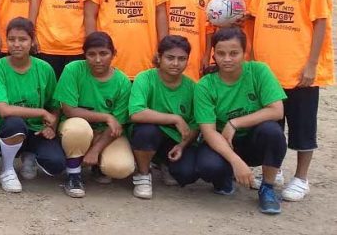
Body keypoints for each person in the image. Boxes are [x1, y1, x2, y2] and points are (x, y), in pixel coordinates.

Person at [250, 0, 334, 202]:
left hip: (299, 65)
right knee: (272, 125)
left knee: (302, 126)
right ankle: (275, 170)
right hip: (268, 64)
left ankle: (302, 177)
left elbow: (321, 20)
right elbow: (254, 14)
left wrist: (312, 64)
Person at [194, 27, 287, 215]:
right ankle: (224, 179)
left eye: (234, 53)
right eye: (220, 53)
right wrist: (235, 161)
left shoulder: (259, 71)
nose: (227, 59)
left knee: (273, 132)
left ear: (245, 52)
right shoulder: (205, 84)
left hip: (253, 140)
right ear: (214, 54)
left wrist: (235, 123)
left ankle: (267, 188)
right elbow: (209, 131)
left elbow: (277, 111)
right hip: (223, 142)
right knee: (207, 166)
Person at [54, 32, 134, 198]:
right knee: (79, 128)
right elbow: (69, 110)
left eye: (103, 54)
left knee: (121, 168)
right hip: (77, 129)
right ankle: (73, 174)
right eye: (91, 54)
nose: (98, 60)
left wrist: (95, 150)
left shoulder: (123, 82)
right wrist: (106, 117)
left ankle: (98, 164)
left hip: (106, 133)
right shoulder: (73, 70)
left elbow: (117, 125)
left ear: (114, 54)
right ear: (85, 55)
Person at [0, 18, 62, 193]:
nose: (17, 44)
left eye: (23, 39)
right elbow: (4, 110)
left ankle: (29, 155)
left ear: (32, 41)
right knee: (15, 123)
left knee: (57, 164)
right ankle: (7, 169)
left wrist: (53, 125)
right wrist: (41, 112)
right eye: (12, 39)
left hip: (36, 129)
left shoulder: (44, 68)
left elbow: (55, 104)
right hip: (7, 128)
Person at [128, 35, 199, 199]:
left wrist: (182, 145)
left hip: (175, 140)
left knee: (187, 174)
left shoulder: (192, 87)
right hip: (148, 134)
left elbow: (196, 123)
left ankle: (164, 163)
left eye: (182, 59)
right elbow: (136, 112)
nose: (175, 63)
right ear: (159, 58)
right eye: (170, 58)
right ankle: (143, 174)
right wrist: (175, 118)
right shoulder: (145, 78)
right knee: (146, 131)